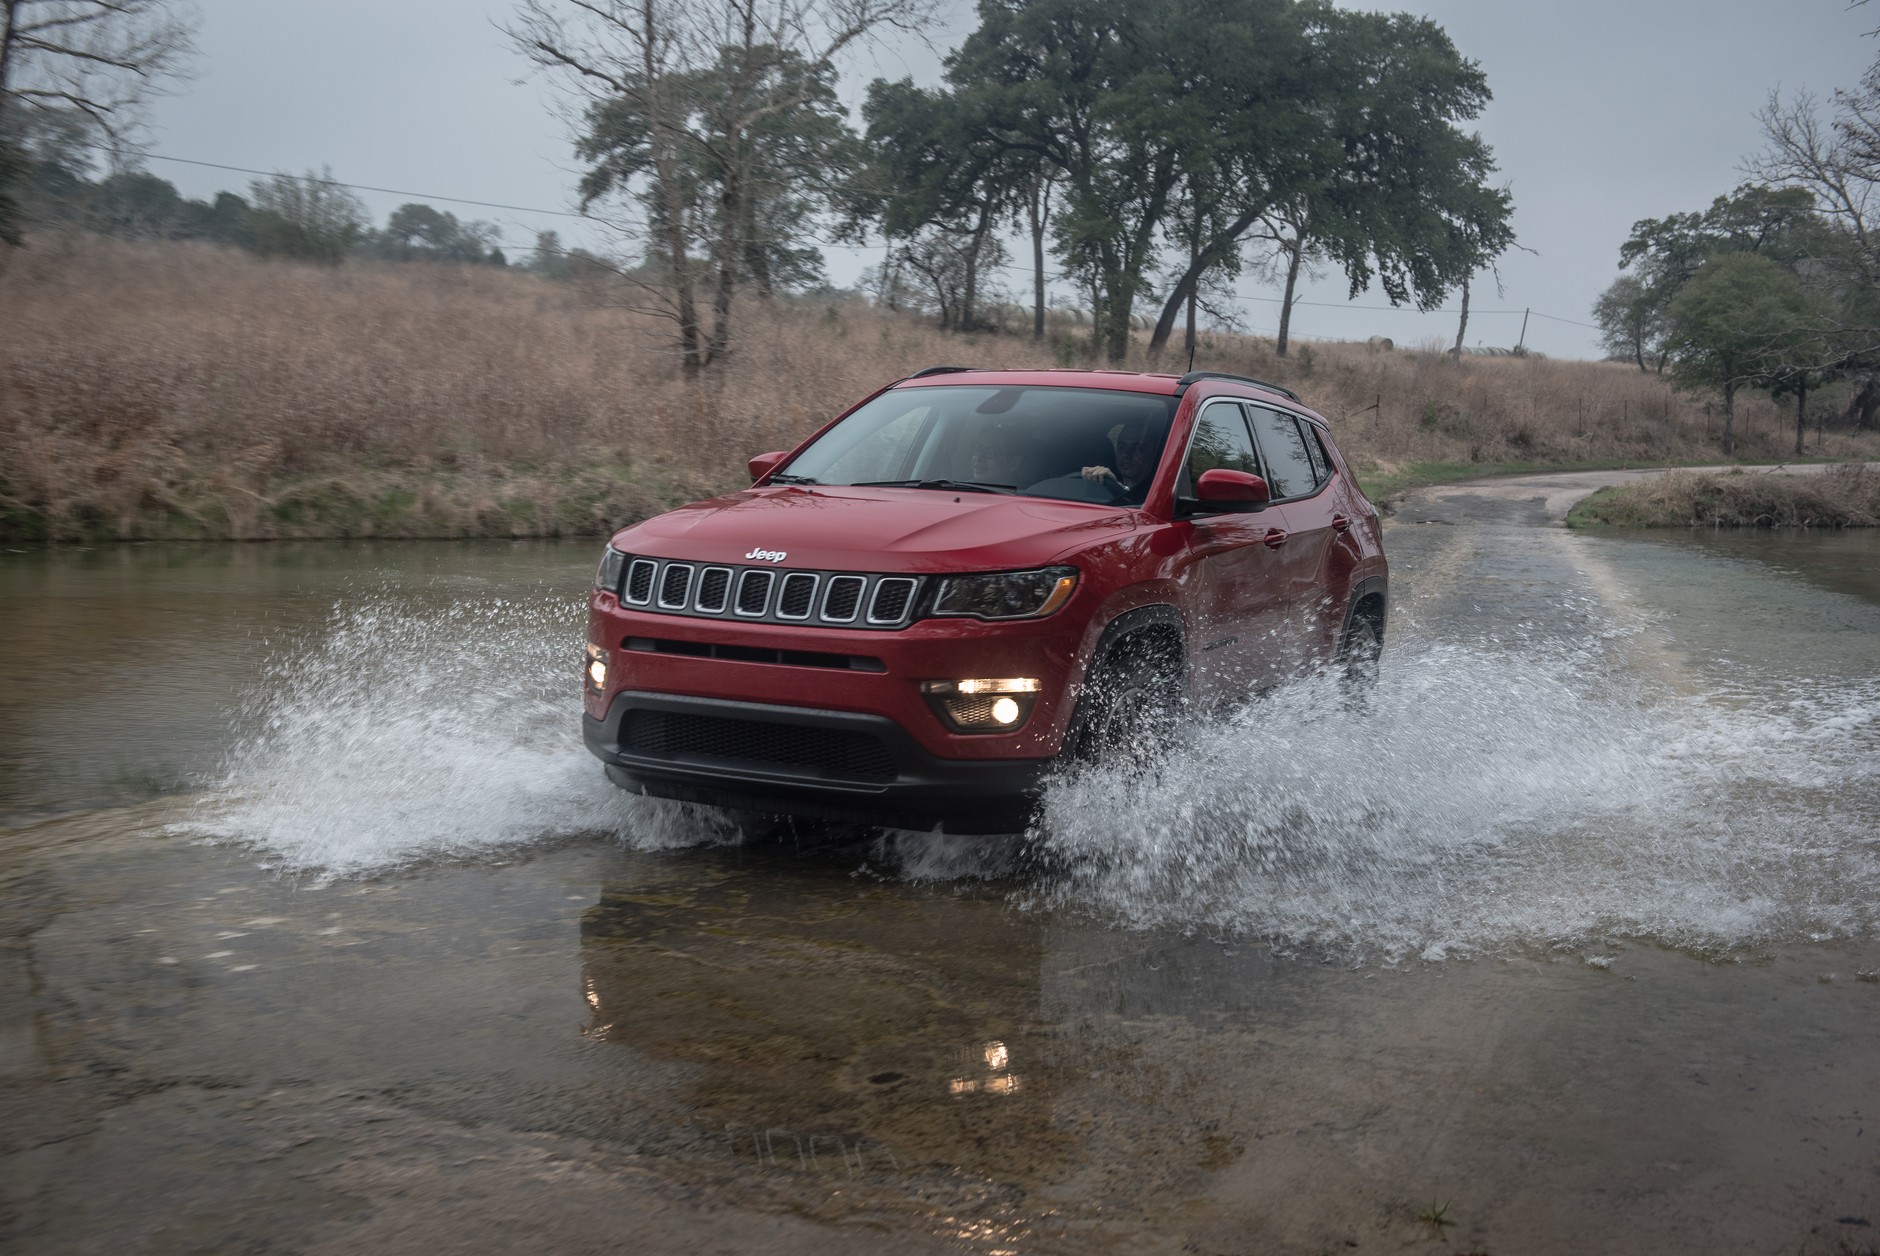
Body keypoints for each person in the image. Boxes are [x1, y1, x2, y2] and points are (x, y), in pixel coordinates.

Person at [1082, 421, 1160, 500]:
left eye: (1137, 448)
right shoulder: (1103, 483)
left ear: (1155, 454)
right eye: (1121, 447)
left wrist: (1117, 488)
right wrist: (1096, 483)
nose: (1126, 454)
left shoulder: (1158, 493)